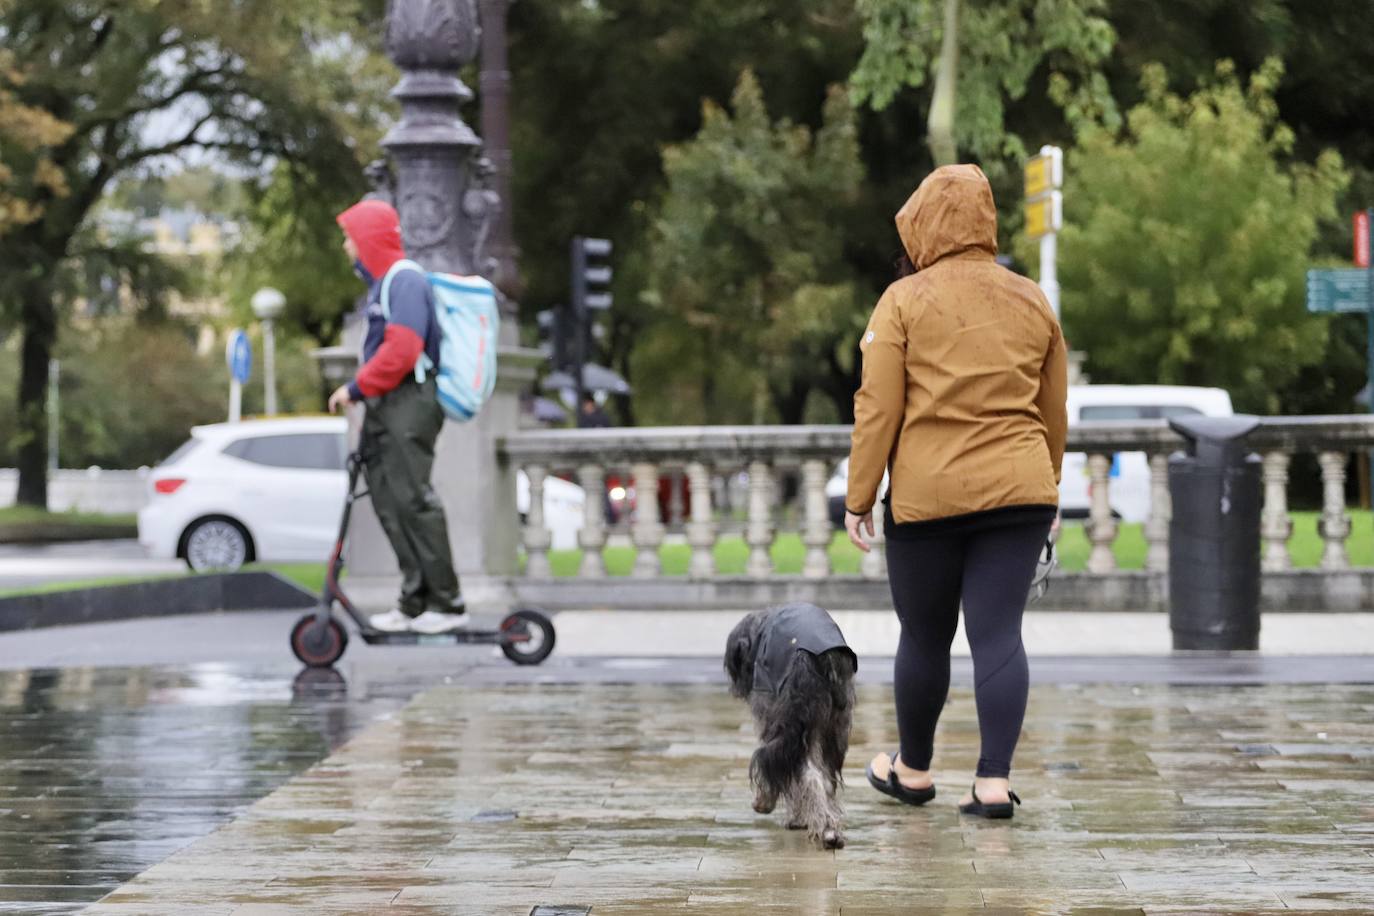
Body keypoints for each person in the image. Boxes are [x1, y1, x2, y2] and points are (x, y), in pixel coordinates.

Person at [844, 164, 1067, 819]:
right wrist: (1047, 484)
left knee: (924, 636)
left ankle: (912, 770)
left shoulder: (903, 301)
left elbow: (877, 407)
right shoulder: (1032, 298)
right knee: (999, 634)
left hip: (928, 497)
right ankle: (993, 783)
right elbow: (1054, 408)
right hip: (1021, 491)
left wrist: (860, 496)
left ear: (921, 225)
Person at [327, 199, 468, 635]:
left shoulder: (403, 281)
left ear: (368, 238)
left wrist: (355, 387)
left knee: (413, 499)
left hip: (409, 401)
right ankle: (414, 602)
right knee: (389, 503)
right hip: (388, 403)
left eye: (350, 236)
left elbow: (403, 350)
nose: (347, 245)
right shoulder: (383, 284)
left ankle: (447, 604)